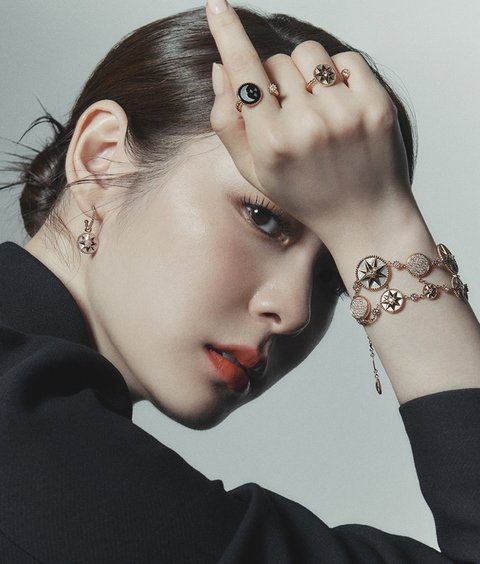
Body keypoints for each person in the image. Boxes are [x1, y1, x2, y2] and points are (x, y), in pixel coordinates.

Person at [0, 1, 479, 562]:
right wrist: (384, 231)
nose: (295, 311)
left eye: (336, 277)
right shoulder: (37, 438)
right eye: (263, 218)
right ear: (101, 159)